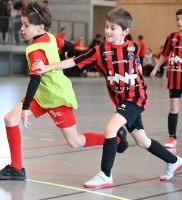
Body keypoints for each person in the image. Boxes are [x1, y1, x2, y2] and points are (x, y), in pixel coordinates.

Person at [32, 7, 182, 188]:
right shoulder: (100, 51)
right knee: (142, 141)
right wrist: (47, 67)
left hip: (136, 97)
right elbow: (74, 61)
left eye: (113, 28)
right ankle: (174, 161)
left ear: (125, 32)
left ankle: (105, 175)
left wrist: (140, 75)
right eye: (106, 27)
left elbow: (137, 66)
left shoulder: (132, 47)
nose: (107, 31)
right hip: (121, 101)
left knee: (110, 129)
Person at [0, 2, 128, 181]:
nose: (22, 29)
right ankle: (17, 168)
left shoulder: (36, 50)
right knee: (10, 119)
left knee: (75, 141)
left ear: (40, 27)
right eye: (22, 24)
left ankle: (117, 140)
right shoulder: (50, 37)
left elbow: (35, 78)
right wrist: (67, 56)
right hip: (42, 95)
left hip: (56, 96)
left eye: (26, 25)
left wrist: (25, 107)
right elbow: (70, 45)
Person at [150, 9, 182, 149]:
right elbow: (164, 55)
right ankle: (172, 137)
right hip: (175, 78)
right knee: (174, 107)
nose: (179, 22)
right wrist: (155, 68)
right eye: (177, 19)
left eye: (181, 19)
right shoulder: (171, 37)